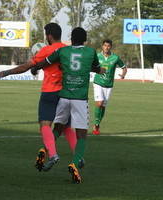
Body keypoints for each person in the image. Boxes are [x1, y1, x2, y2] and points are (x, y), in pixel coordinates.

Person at [29, 27, 105, 183]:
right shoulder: (90, 52)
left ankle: (45, 149)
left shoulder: (63, 52)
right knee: (82, 135)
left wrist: (35, 67)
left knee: (59, 128)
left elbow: (45, 62)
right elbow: (95, 67)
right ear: (84, 39)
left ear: (71, 38)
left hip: (63, 97)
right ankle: (75, 164)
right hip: (79, 99)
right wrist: (100, 70)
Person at [0, 23, 77, 172]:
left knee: (45, 124)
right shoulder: (69, 50)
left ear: (49, 36)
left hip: (50, 92)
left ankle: (53, 155)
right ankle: (78, 155)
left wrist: (7, 72)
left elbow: (26, 66)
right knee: (66, 126)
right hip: (67, 93)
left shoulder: (47, 50)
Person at [92, 39, 127, 135]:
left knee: (103, 106)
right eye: (105, 45)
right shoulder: (97, 56)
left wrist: (123, 75)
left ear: (111, 47)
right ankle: (96, 124)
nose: (106, 47)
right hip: (98, 83)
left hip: (109, 85)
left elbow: (124, 67)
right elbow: (91, 66)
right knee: (100, 103)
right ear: (102, 46)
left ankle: (97, 124)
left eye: (108, 46)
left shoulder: (115, 58)